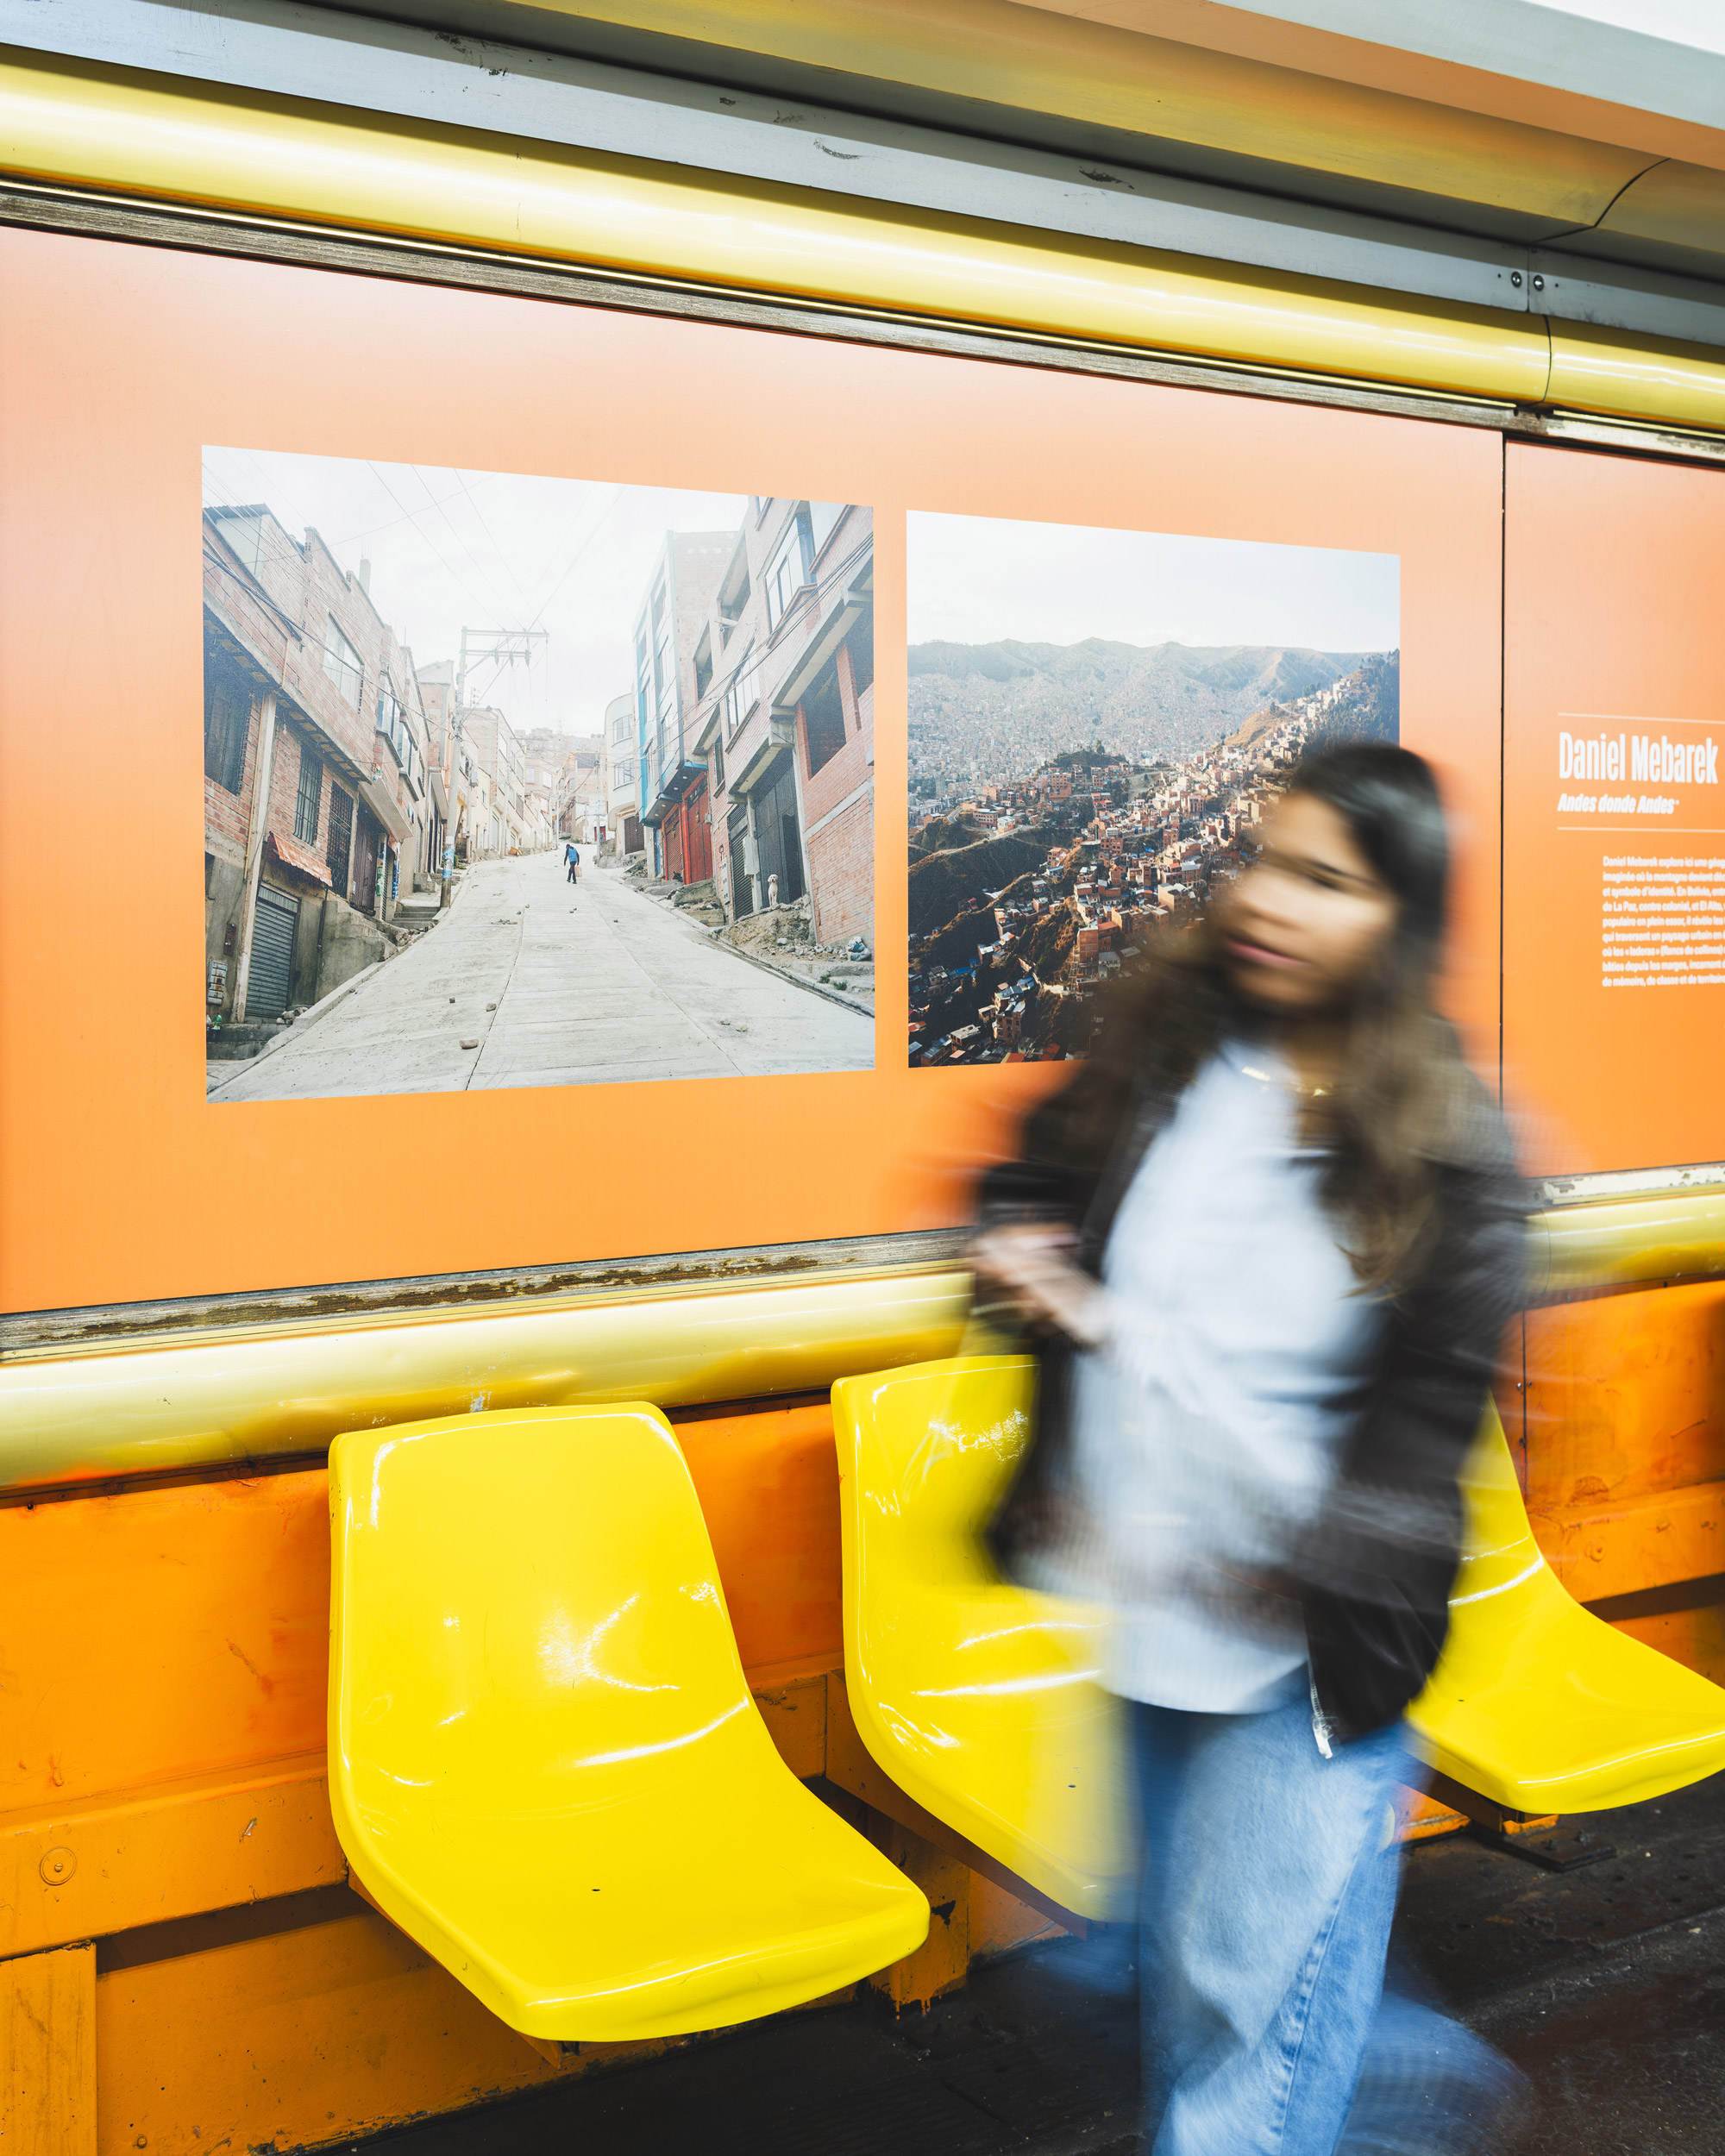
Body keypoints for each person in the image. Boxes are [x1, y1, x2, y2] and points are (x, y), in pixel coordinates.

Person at [971, 743, 1527, 2156]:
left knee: (1236, 2079)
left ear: (1399, 923)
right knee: (1132, 1982)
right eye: (1265, 860)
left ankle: (1355, 2073)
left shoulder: (1451, 1160)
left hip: (1304, 1658)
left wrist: (1095, 1323)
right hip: (1152, 1622)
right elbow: (1030, 1179)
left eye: (1323, 880)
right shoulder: (1175, 1059)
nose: (1267, 900)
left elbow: (1403, 1481)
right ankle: (1395, 2075)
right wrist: (1020, 1253)